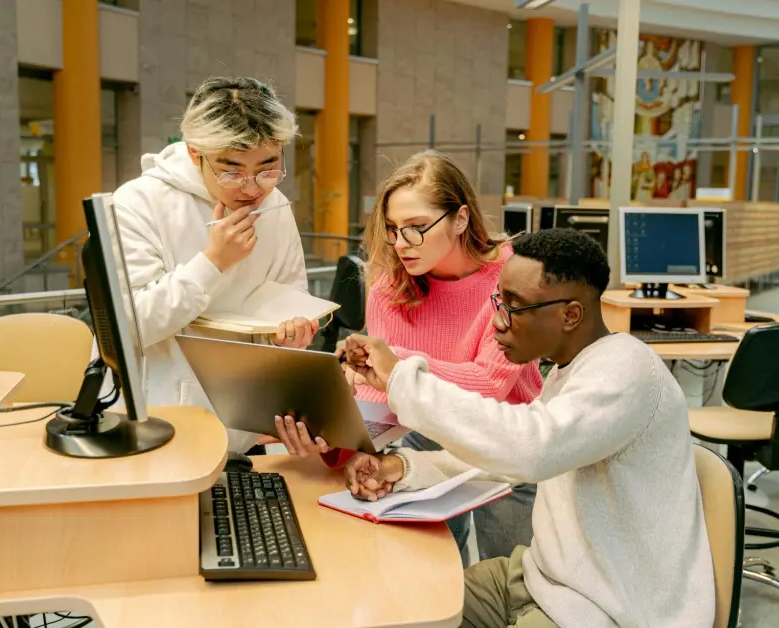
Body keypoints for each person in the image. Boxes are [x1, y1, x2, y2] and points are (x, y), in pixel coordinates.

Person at [340, 228, 715, 628]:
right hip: (540, 580)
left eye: (514, 308)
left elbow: (531, 450)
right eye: (499, 302)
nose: (497, 323)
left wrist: (402, 379)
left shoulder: (625, 370)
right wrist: (405, 469)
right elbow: (501, 463)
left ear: (570, 314)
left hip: (606, 611)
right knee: (409, 605)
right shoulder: (568, 372)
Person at [269, 150, 543, 567]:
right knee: (426, 575)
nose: (400, 244)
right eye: (393, 229)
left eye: (416, 228)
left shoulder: (512, 276)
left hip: (505, 437)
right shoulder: (390, 285)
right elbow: (383, 397)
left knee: (512, 574)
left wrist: (395, 366)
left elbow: (490, 385)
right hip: (420, 432)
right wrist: (349, 441)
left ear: (461, 219)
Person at [111, 76, 319, 455]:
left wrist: (293, 333)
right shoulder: (138, 203)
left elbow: (292, 299)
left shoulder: (275, 206)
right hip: (157, 424)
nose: (253, 188)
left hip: (245, 424)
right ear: (194, 153)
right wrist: (213, 263)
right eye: (232, 170)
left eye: (268, 168)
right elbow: (129, 325)